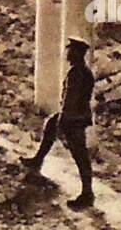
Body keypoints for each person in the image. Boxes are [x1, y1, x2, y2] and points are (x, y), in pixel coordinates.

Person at [23, 37, 95, 209]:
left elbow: (71, 99)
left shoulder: (77, 73)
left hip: (73, 117)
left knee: (80, 156)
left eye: (71, 51)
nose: (67, 53)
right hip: (74, 115)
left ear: (78, 53)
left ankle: (87, 194)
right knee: (50, 125)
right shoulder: (81, 71)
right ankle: (37, 159)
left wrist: (63, 120)